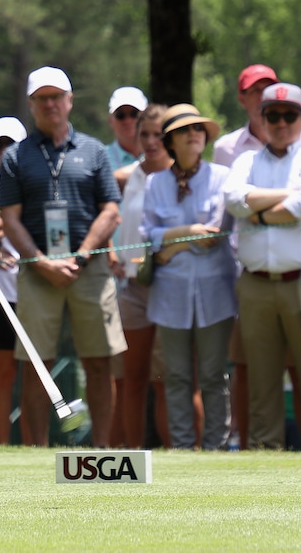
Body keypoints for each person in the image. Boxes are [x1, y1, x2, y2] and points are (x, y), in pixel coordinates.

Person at [213, 63, 301, 449]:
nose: (281, 123)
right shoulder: (245, 161)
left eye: (289, 115)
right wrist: (287, 201)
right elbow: (234, 198)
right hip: (255, 285)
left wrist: (260, 211)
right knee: (260, 377)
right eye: (273, 115)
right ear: (262, 118)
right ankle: (264, 451)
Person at [0, 66, 125, 447]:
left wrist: (81, 257)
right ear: (32, 105)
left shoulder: (94, 150)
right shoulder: (16, 156)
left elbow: (111, 211)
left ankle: (102, 451)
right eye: (42, 98)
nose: (50, 104)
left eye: (57, 97)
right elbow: (9, 218)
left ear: (70, 101)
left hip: (90, 269)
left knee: (100, 362)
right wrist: (42, 262)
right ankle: (35, 454)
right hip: (39, 273)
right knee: (37, 366)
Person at [143, 104, 237, 449]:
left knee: (214, 376)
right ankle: (182, 449)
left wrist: (170, 244)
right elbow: (148, 235)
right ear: (171, 141)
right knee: (177, 377)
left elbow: (213, 235)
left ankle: (216, 448)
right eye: (185, 130)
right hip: (170, 296)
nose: (195, 134)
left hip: (216, 293)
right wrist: (189, 232)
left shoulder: (222, 178)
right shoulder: (154, 183)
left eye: (199, 129)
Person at [112, 104, 174, 449]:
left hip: (170, 287)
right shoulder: (125, 176)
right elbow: (102, 212)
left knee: (168, 380)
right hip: (132, 287)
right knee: (131, 379)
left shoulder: (181, 178)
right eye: (145, 135)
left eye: (159, 135)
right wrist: (109, 250)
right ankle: (130, 461)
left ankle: (185, 460)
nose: (151, 142)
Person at [0, 117, 26, 445]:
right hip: (1, 292)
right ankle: (3, 445)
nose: (6, 152)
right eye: (0, 145)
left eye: (12, 144)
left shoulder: (36, 182)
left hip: (35, 289)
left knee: (36, 375)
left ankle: (32, 446)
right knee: (3, 373)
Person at [105, 86, 148, 174]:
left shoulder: (160, 155)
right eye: (121, 115)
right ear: (110, 121)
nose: (128, 121)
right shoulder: (100, 159)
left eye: (134, 114)